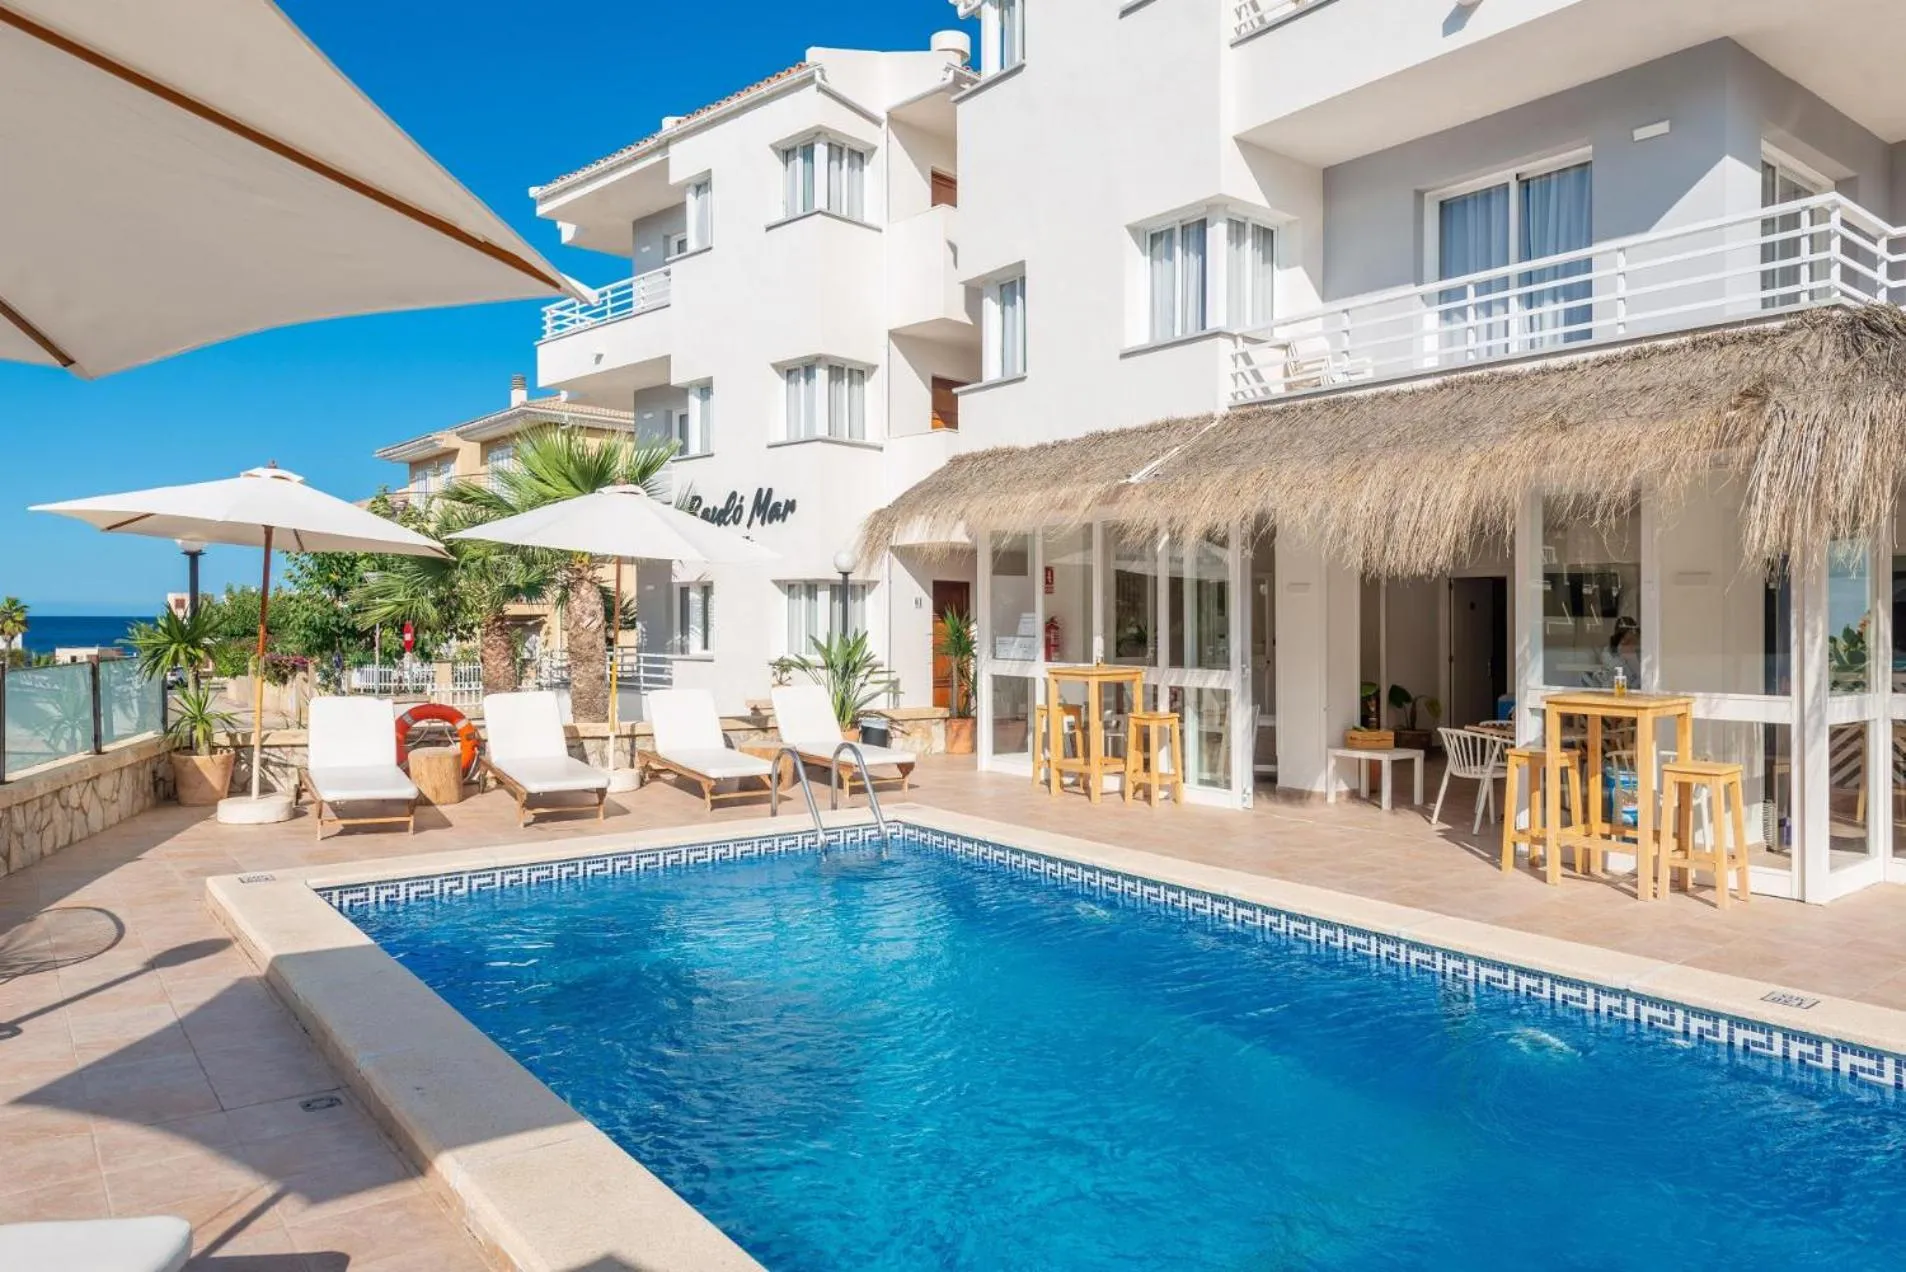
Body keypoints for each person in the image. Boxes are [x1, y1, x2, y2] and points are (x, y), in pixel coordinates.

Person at [1599, 615, 1641, 688]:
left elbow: (1642, 678)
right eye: (1626, 639)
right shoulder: (1608, 653)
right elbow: (1614, 676)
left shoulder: (1639, 652)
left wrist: (1633, 659)